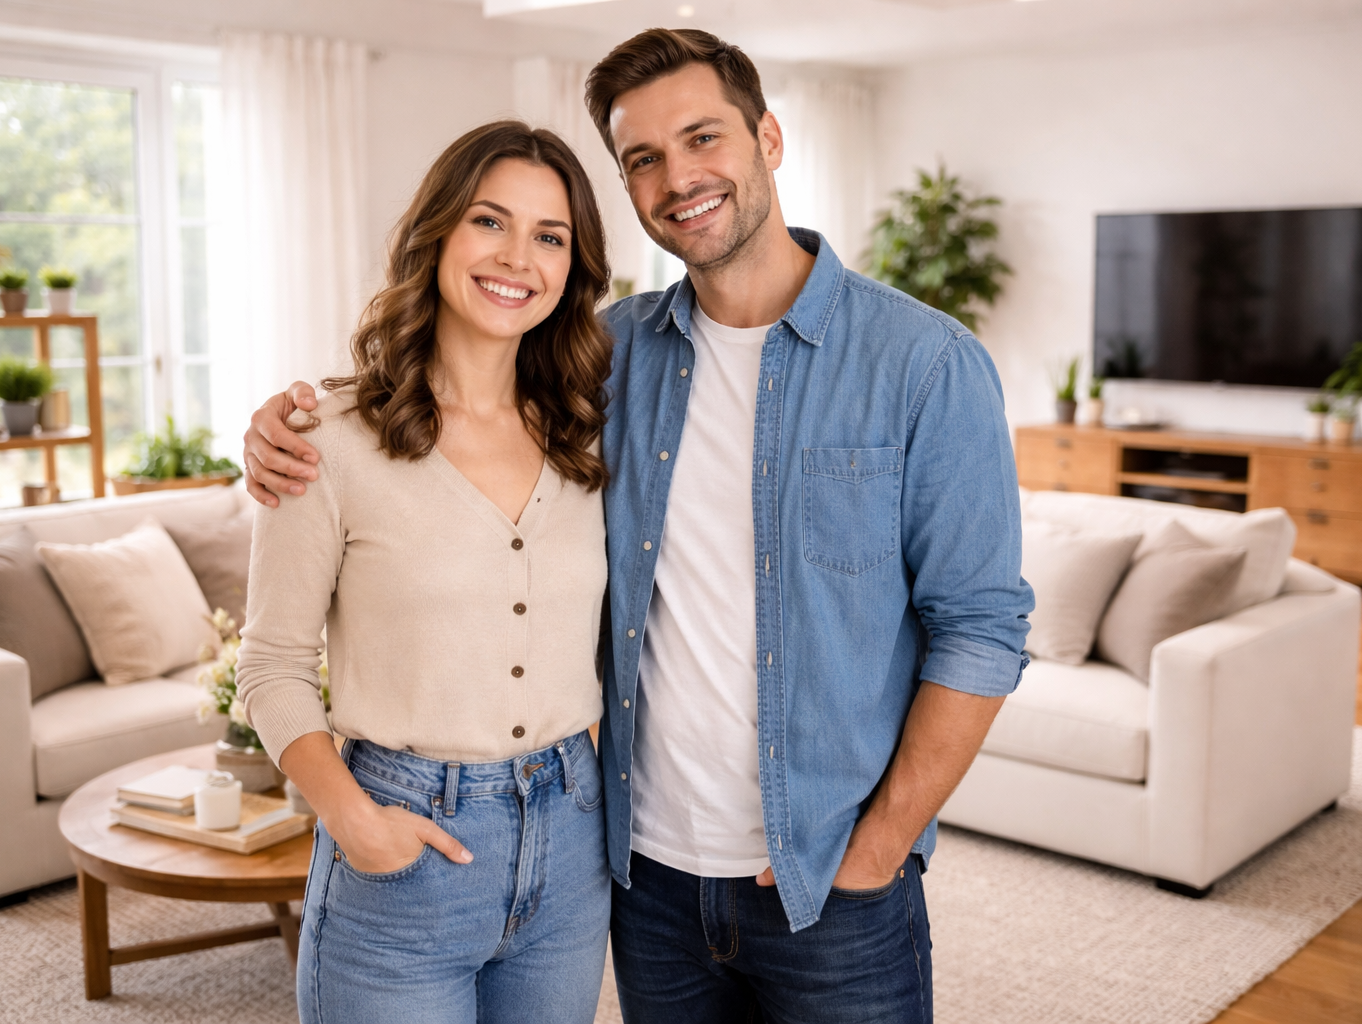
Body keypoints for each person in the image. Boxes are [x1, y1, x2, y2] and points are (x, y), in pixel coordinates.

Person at [244, 28, 1033, 1024]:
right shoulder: (611, 365)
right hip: (640, 878)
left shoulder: (924, 365)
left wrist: (881, 846)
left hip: (829, 880)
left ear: (770, 138)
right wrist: (280, 424)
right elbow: (437, 426)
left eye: (703, 138)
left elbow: (983, 627)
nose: (679, 177)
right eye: (643, 159)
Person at [234, 121, 614, 1024]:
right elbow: (272, 666)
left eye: (550, 236)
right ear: (438, 233)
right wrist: (353, 821)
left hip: (571, 841)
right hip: (400, 840)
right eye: (490, 221)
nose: (517, 256)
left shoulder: (591, 431)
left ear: (573, 267)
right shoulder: (324, 438)